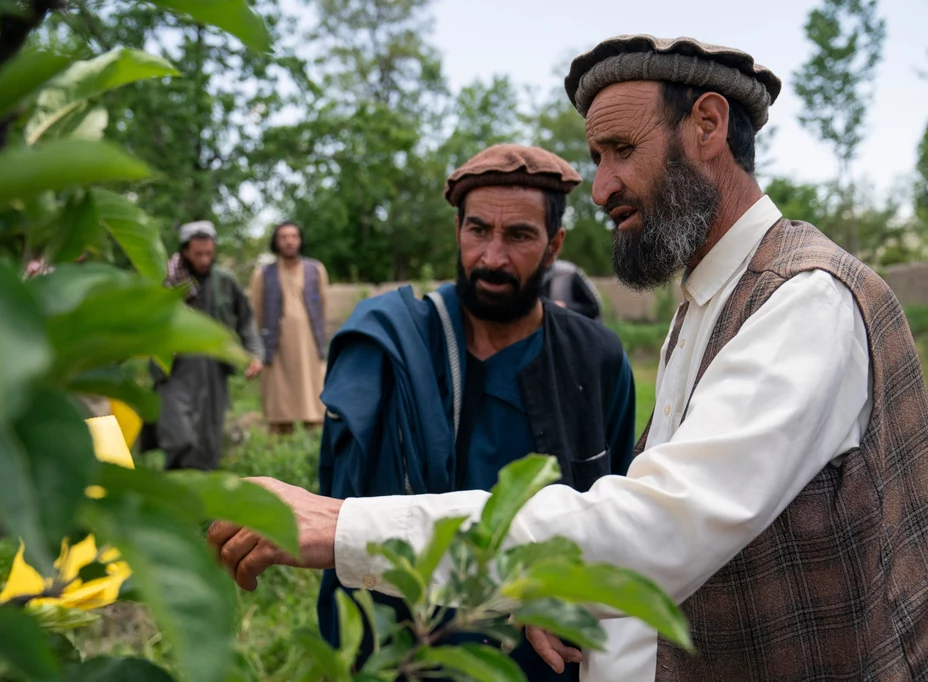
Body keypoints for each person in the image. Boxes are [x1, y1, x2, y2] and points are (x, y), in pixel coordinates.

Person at [208, 35, 928, 681]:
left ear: (707, 125)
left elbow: (652, 527)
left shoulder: (803, 305)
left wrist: (341, 526)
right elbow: (647, 537)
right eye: (596, 158)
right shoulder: (704, 302)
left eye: (621, 150)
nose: (603, 186)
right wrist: (567, 584)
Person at [315, 144, 636, 680]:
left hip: (544, 653)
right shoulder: (394, 349)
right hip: (413, 644)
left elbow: (618, 513)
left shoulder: (595, 358)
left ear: (554, 244)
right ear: (458, 232)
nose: (492, 257)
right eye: (478, 230)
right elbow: (344, 509)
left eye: (519, 236)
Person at [154, 220, 263, 470]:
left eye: (209, 253)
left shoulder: (225, 280)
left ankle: (201, 498)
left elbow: (246, 320)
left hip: (214, 370)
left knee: (208, 440)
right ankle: (174, 486)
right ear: (185, 251)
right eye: (198, 254)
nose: (204, 259)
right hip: (175, 368)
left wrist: (254, 354)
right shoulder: (167, 281)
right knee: (178, 435)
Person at [250, 222, 329, 435]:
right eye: (284, 237)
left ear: (300, 240)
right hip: (277, 342)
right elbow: (257, 311)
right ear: (276, 241)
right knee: (279, 397)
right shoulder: (263, 273)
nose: (289, 241)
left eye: (293, 236)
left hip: (309, 342)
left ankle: (313, 438)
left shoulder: (316, 269)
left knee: (312, 392)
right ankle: (279, 439)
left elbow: (322, 305)